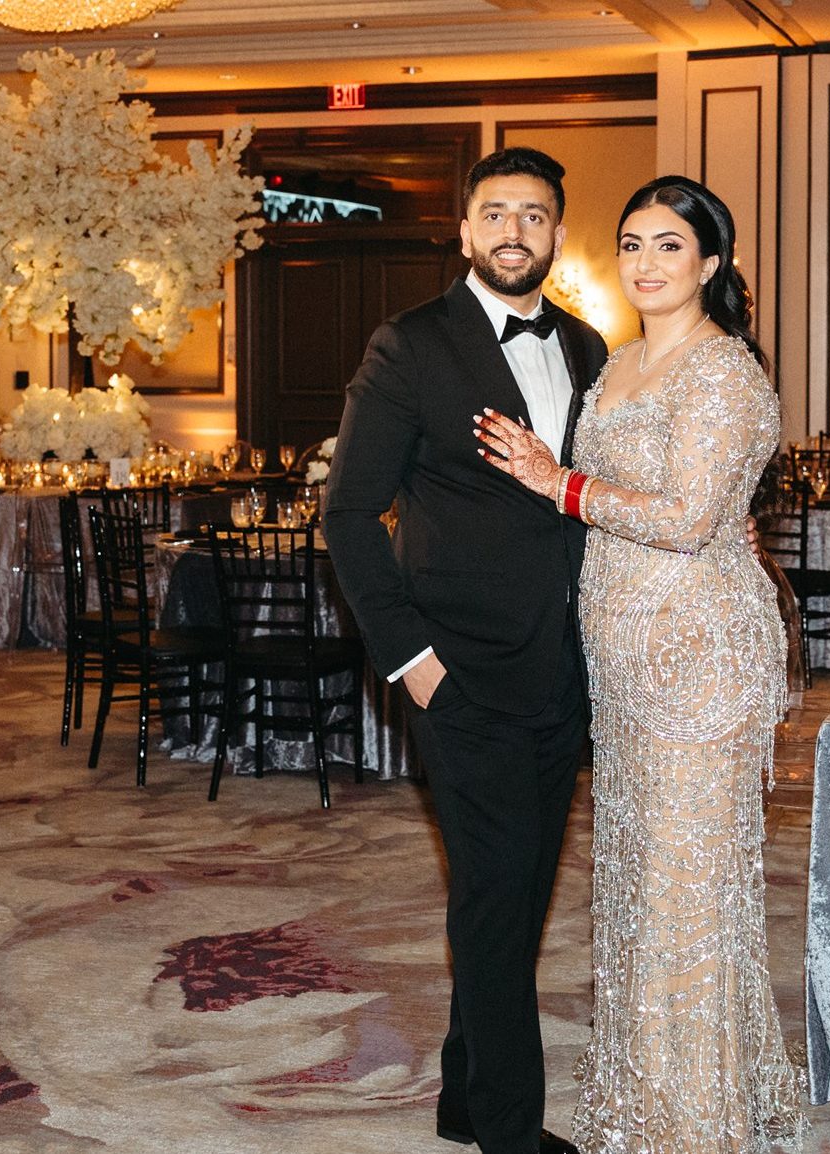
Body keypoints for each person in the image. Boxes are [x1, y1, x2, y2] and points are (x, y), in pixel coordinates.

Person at [475, 175, 808, 1153]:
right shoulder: (616, 364)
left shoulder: (723, 371)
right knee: (632, 880)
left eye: (669, 245)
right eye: (631, 244)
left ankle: (690, 1119)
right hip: (620, 657)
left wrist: (558, 481)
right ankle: (655, 1095)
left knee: (683, 889)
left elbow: (690, 518)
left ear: (710, 264)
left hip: (697, 651)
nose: (645, 263)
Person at [325, 147, 608, 1154]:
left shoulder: (587, 346)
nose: (513, 231)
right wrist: (411, 658)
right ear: (464, 231)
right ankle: (508, 1131)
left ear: (556, 232)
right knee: (494, 893)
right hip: (459, 673)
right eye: (495, 213)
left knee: (518, 891)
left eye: (533, 214)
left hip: (562, 668)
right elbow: (349, 513)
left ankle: (463, 1095)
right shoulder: (410, 344)